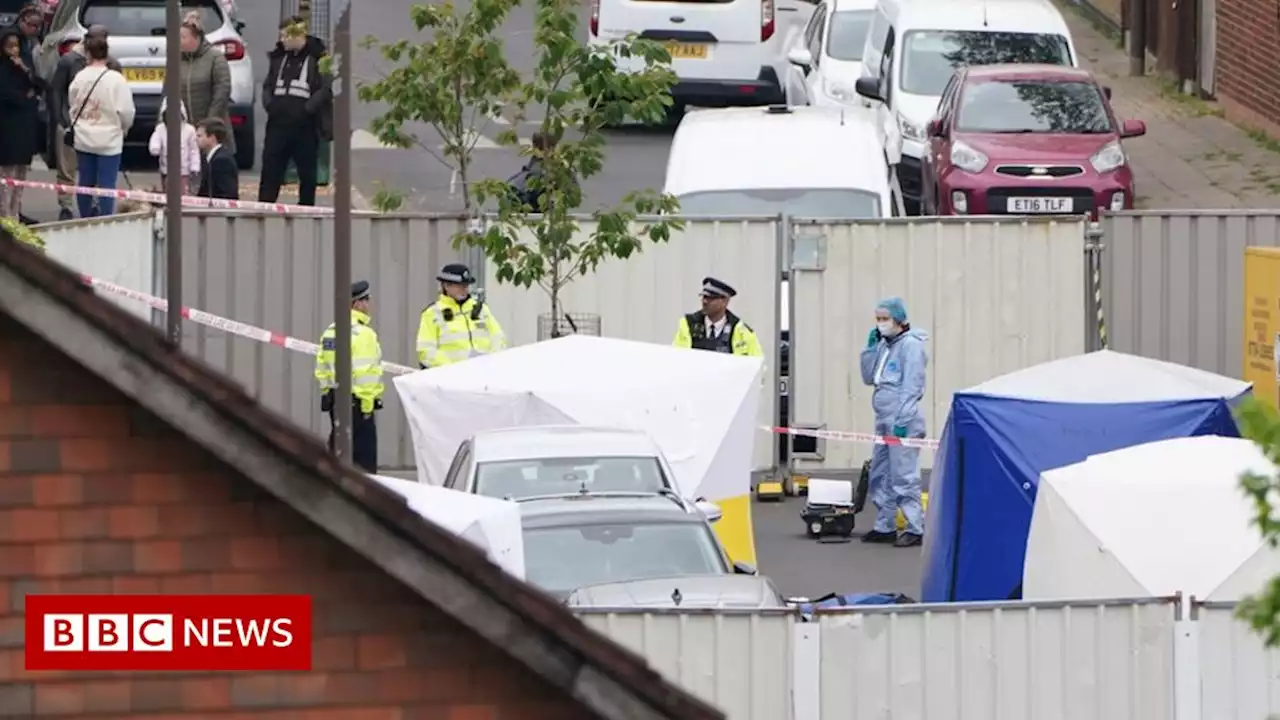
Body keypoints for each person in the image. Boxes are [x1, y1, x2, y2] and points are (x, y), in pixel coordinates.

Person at [859, 297, 928, 548]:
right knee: (881, 474)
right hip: (883, 418)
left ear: (899, 320)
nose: (881, 324)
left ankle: (915, 527)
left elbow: (913, 384)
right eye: (878, 319)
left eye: (885, 319)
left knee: (903, 476)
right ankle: (884, 525)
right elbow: (869, 378)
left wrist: (903, 418)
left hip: (902, 419)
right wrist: (869, 349)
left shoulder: (911, 345)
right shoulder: (885, 345)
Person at [258, 15, 332, 207]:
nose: (281, 40)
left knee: (307, 173)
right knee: (270, 169)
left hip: (305, 126)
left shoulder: (318, 58)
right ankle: (264, 208)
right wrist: (270, 105)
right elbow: (267, 85)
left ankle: (306, 209)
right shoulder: (278, 57)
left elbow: (326, 88)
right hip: (277, 125)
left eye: (284, 36)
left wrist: (307, 110)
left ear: (298, 34)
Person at [48, 24, 120, 220]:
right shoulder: (69, 61)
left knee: (93, 170)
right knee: (67, 168)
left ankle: (94, 204)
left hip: (98, 125)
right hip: (69, 123)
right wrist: (60, 120)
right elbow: (56, 90)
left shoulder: (112, 64)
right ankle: (66, 205)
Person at [315, 280, 384, 473]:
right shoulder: (364, 334)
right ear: (357, 304)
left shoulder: (330, 331)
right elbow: (366, 372)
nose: (368, 305)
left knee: (338, 456)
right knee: (364, 465)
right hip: (359, 404)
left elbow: (322, 367)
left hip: (336, 402)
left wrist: (327, 393)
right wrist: (368, 405)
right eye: (366, 300)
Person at [67, 35, 133, 218]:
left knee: (85, 182)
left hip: (84, 137)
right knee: (107, 184)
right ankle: (106, 219)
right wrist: (123, 128)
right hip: (109, 139)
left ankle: (85, 217)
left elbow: (72, 104)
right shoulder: (116, 80)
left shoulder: (80, 77)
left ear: (87, 53)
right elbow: (126, 111)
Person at [416, 263, 507, 368]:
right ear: (446, 285)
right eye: (460, 286)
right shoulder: (432, 313)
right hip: (451, 378)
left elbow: (498, 338)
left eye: (466, 285)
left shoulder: (481, 309)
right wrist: (452, 368)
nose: (464, 289)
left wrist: (491, 362)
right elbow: (426, 351)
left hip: (484, 373)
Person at [0, 25, 43, 219]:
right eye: (10, 46)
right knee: (6, 179)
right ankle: (5, 217)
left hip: (24, 131)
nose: (14, 51)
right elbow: (6, 94)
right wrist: (26, 98)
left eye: (17, 46)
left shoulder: (23, 65)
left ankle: (15, 215)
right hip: (7, 131)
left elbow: (39, 86)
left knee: (20, 178)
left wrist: (25, 70)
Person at [178, 12, 233, 158]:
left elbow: (222, 89)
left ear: (196, 38)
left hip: (210, 131)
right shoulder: (175, 60)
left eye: (183, 37)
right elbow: (167, 93)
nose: (179, 41)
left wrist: (209, 123)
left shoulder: (215, 57)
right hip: (186, 131)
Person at [672, 277, 764, 356]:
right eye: (704, 297)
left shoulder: (741, 331)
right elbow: (676, 358)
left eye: (711, 298)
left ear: (725, 301)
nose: (705, 302)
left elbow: (756, 366)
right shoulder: (688, 324)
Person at [148, 98, 200, 194]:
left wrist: (195, 166)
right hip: (166, 169)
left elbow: (194, 150)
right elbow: (155, 140)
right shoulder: (160, 129)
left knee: (182, 192)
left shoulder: (189, 130)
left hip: (184, 170)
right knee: (167, 191)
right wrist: (155, 148)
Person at [196, 118, 238, 199]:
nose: (196, 139)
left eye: (199, 136)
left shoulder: (222, 161)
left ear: (212, 137)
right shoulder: (207, 157)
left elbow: (227, 193)